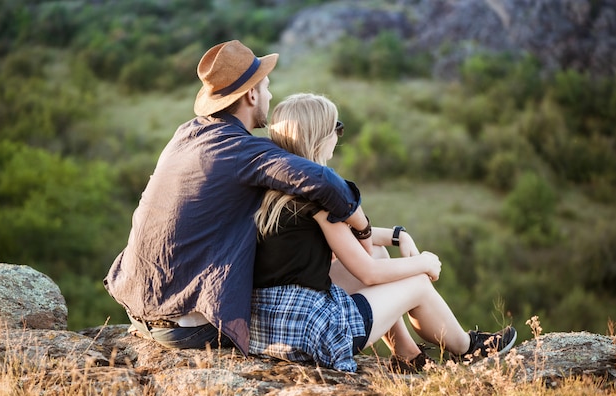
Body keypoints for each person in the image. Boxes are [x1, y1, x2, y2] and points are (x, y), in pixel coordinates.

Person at [103, 41, 372, 355]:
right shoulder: (243, 151)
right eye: (267, 88)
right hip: (188, 326)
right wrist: (363, 225)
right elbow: (323, 181)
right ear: (252, 95)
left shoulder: (185, 135)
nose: (270, 97)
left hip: (139, 309)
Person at [249, 93, 517, 373]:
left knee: (378, 252)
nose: (338, 136)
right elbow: (369, 274)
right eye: (336, 128)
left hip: (271, 326)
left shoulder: (274, 189)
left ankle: (407, 355)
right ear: (319, 137)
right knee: (418, 285)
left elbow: (347, 237)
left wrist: (397, 236)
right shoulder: (316, 196)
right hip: (310, 333)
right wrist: (423, 263)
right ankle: (468, 348)